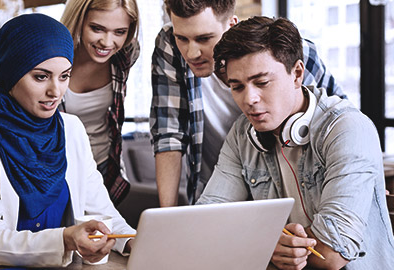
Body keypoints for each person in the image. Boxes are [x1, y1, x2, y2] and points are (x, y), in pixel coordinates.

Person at [196, 16, 394, 269]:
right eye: (237, 87)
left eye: (262, 82)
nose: (250, 99)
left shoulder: (348, 128)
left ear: (297, 73)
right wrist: (265, 244)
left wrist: (256, 243)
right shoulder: (242, 133)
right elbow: (206, 221)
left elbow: (333, 252)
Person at [0, 14, 135, 269]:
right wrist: (66, 238)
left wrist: (135, 241)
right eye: (40, 76)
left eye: (64, 76)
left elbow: (102, 210)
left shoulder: (71, 129)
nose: (56, 92)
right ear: (12, 73)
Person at [150, 0, 347, 207]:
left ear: (231, 26)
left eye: (205, 38)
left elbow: (340, 120)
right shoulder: (170, 45)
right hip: (216, 188)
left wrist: (358, 177)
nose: (191, 53)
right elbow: (168, 134)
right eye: (182, 38)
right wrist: (167, 216)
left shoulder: (289, 54)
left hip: (292, 196)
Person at [59, 0, 140, 206]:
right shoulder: (52, 56)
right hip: (59, 168)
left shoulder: (125, 55)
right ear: (79, 20)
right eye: (97, 28)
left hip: (104, 164)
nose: (107, 42)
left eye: (119, 32)